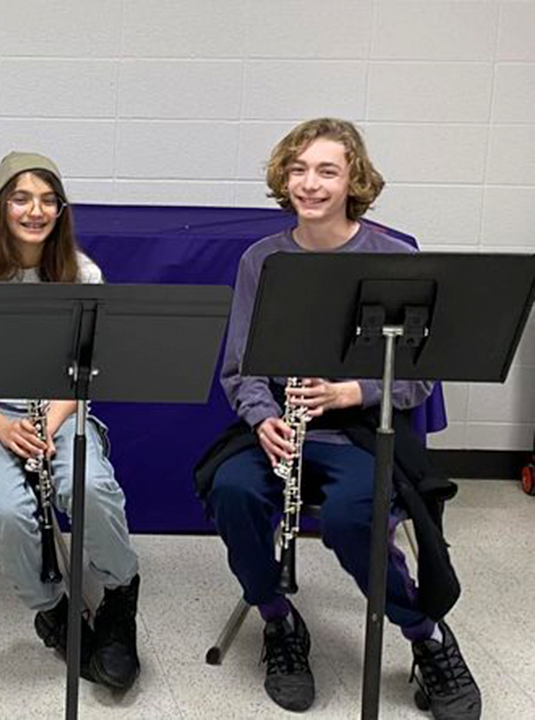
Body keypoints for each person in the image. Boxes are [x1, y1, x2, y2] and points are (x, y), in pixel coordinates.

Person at [195, 118, 481, 719]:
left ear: (354, 177)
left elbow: (420, 373)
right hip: (281, 425)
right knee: (233, 490)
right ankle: (278, 622)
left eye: (326, 170)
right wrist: (263, 417)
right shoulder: (261, 259)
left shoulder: (394, 256)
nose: (310, 183)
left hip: (361, 429)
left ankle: (425, 634)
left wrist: (352, 391)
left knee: (357, 516)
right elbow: (241, 365)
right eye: (298, 170)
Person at [0, 151, 142, 691]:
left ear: (62, 210)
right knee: (6, 508)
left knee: (90, 486)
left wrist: (50, 422)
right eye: (21, 198)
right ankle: (54, 610)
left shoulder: (83, 273)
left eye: (48, 200)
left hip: (59, 411)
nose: (35, 210)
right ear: (0, 206)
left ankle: (119, 597)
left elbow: (85, 373)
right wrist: (1, 425)